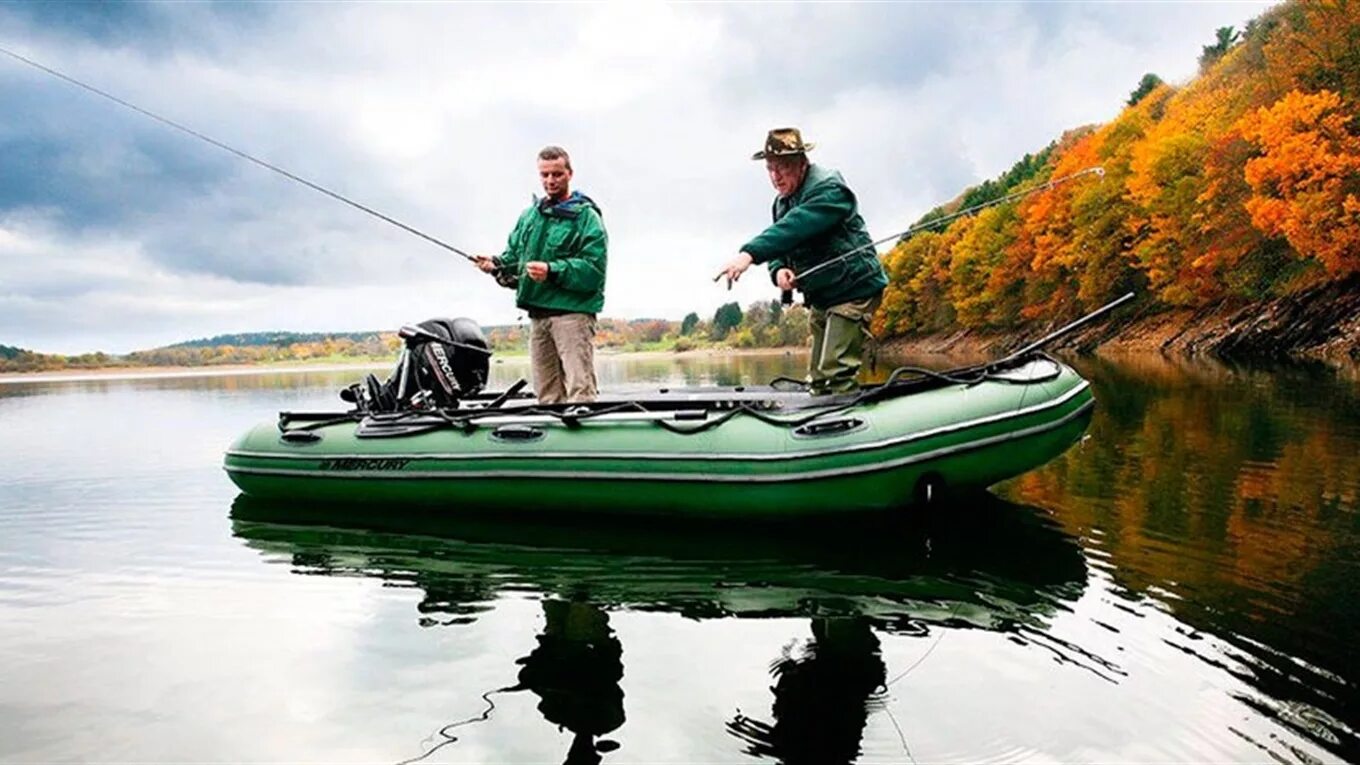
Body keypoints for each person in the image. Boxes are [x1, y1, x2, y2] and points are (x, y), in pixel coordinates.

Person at [717, 128, 888, 395]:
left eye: (783, 167)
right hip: (823, 295)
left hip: (855, 288)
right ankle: (821, 418)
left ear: (802, 163)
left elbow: (794, 228)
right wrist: (779, 271)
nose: (776, 176)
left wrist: (747, 255)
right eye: (770, 169)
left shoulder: (829, 189)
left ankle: (845, 425)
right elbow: (782, 248)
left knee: (836, 371)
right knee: (817, 378)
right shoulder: (781, 202)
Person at [477, 146, 607, 404]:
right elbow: (514, 263)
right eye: (544, 175)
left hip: (573, 315)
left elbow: (593, 270)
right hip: (538, 316)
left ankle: (587, 437)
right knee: (546, 394)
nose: (550, 180)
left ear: (569, 174)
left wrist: (552, 271)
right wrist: (496, 266)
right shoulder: (529, 217)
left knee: (580, 390)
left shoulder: (587, 218)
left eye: (557, 174)